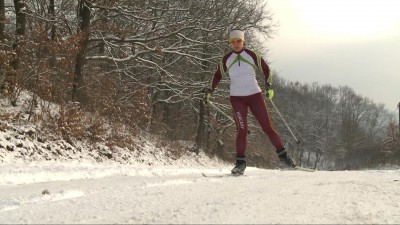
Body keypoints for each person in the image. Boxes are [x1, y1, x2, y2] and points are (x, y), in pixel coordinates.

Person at [203, 29, 296, 174]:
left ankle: (284, 157)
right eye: (232, 42)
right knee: (242, 130)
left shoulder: (252, 55)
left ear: (243, 41)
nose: (235, 44)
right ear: (230, 43)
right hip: (236, 98)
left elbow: (266, 70)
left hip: (255, 96)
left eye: (238, 41)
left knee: (267, 128)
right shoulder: (226, 59)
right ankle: (240, 163)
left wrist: (268, 85)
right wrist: (210, 91)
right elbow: (217, 76)